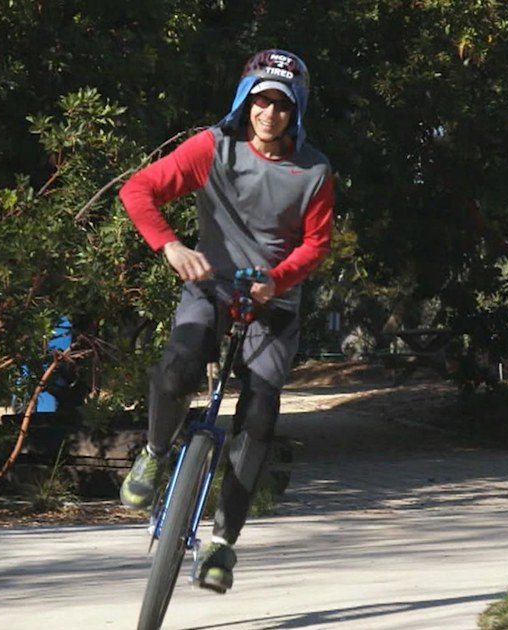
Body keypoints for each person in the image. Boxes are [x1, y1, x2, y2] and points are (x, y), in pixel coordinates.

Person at [117, 49, 334, 594]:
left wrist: (277, 281)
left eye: (282, 105)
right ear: (245, 100)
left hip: (274, 301)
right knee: (179, 368)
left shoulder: (314, 171)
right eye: (261, 100)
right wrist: (169, 246)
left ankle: (222, 544)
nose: (269, 114)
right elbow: (137, 190)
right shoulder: (212, 149)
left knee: (260, 416)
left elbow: (317, 243)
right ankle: (154, 453)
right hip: (209, 285)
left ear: (296, 111)